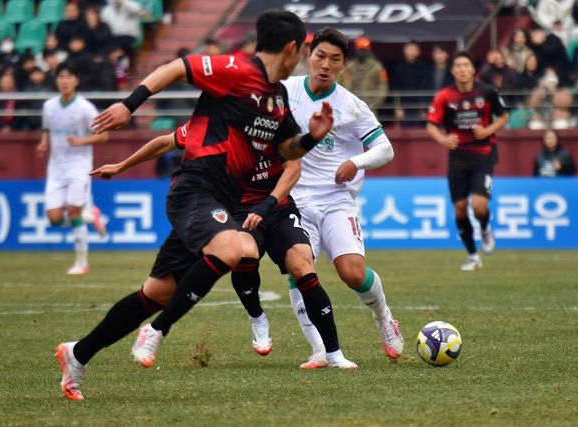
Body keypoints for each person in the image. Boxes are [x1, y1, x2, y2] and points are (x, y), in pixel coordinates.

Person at [55, 10, 350, 401]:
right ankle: (157, 330)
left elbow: (286, 150)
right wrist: (130, 104)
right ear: (293, 48)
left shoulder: (277, 98)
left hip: (221, 202)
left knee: (156, 293)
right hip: (194, 188)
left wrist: (311, 138)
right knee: (234, 248)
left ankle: (77, 354)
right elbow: (176, 68)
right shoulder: (235, 69)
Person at [283, 28, 404, 364]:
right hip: (295, 199)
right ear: (308, 55)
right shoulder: (285, 91)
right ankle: (319, 349)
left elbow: (385, 149)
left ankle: (383, 316)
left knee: (353, 273)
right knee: (299, 268)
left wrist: (355, 162)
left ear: (343, 64)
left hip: (336, 199)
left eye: (335, 59)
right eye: (320, 56)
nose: (326, 65)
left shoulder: (351, 106)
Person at [426, 51, 509, 271]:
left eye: (466, 65)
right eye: (458, 66)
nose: (462, 69)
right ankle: (473, 256)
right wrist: (443, 139)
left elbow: (504, 116)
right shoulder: (444, 96)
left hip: (483, 155)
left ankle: (485, 228)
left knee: (479, 206)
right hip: (458, 158)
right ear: (453, 71)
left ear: (473, 69)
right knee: (460, 210)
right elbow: (431, 125)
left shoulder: (487, 92)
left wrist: (487, 130)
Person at [35, 62, 109, 275]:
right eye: (61, 77)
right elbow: (46, 129)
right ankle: (91, 215)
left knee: (74, 210)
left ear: (76, 80)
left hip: (79, 165)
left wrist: (80, 141)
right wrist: (43, 143)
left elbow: (104, 135)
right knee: (54, 218)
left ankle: (82, 263)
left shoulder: (85, 108)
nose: (64, 81)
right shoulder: (49, 106)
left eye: (68, 77)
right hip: (56, 168)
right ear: (56, 80)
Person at [338, 36, 389, 114]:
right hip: (350, 105)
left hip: (370, 105)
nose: (361, 52)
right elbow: (339, 83)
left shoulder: (377, 67)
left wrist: (376, 103)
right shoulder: (348, 67)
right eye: (359, 49)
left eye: (364, 50)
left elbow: (383, 86)